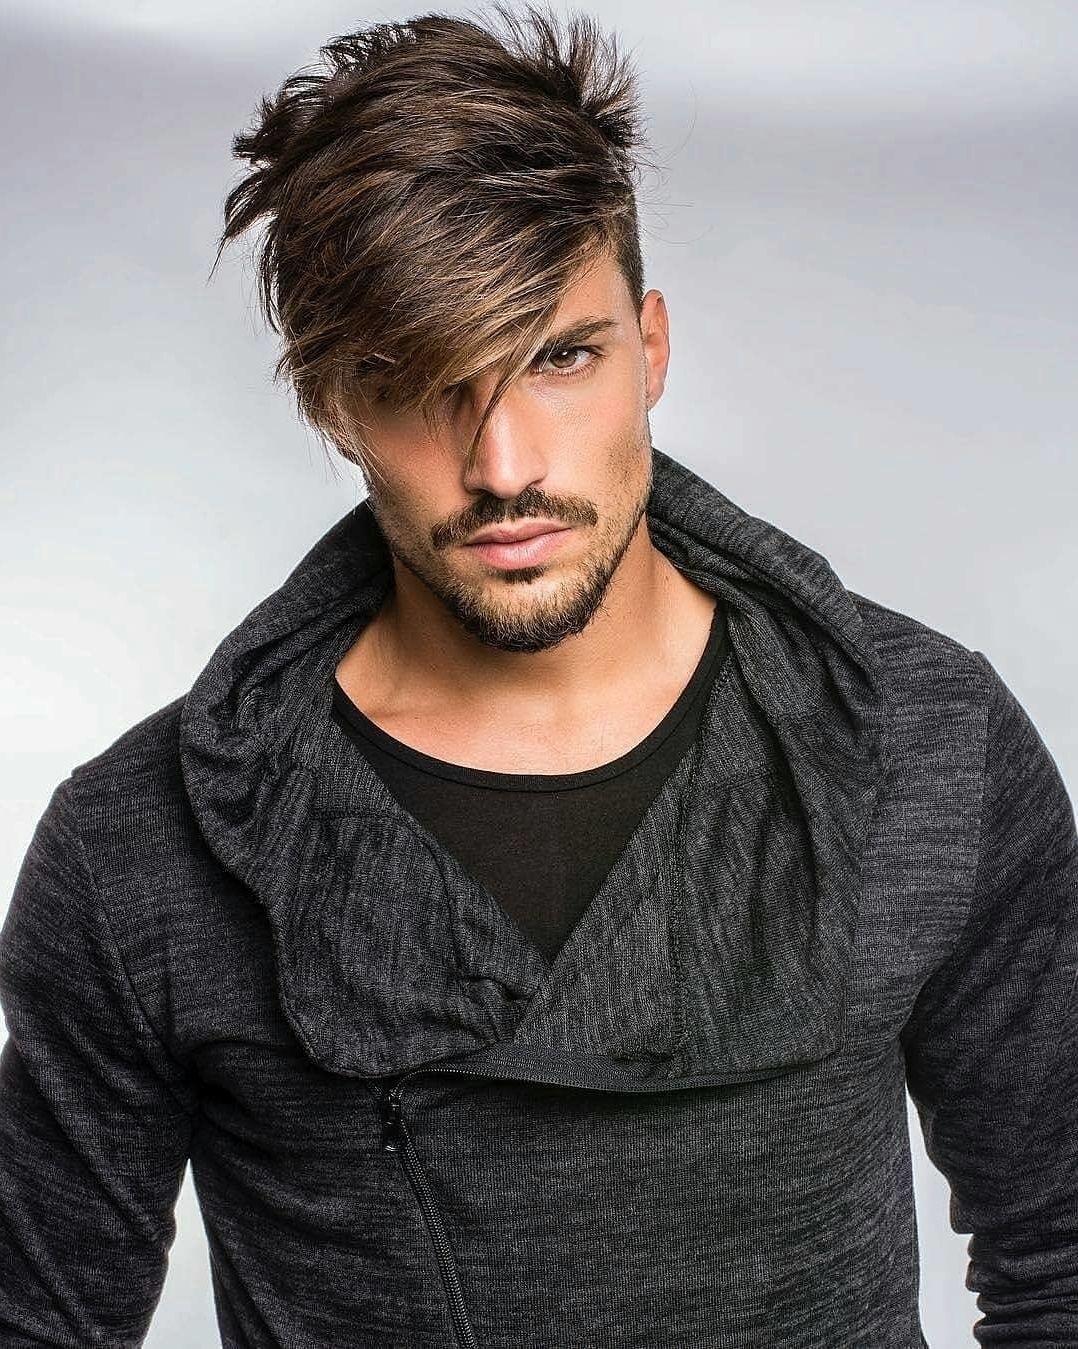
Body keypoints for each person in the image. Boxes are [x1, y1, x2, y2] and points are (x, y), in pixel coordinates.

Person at [1, 5, 1075, 1346]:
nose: (503, 464)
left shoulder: (931, 744)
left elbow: (1061, 1254)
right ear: (331, 403)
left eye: (561, 358)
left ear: (651, 348)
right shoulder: (139, 850)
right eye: (418, 378)